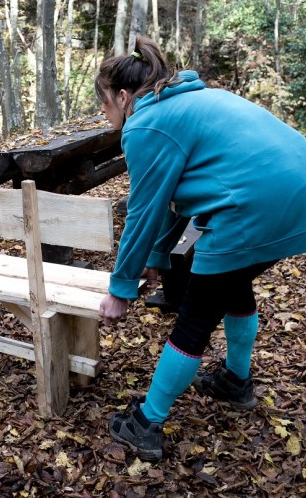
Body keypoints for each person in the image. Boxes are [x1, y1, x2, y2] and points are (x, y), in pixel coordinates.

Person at [95, 37, 306, 461]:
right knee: (234, 284)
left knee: (196, 315)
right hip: (296, 200)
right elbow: (178, 196)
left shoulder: (145, 125)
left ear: (122, 96)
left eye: (103, 103)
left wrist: (121, 289)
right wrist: (156, 258)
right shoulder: (194, 100)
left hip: (250, 209)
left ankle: (146, 422)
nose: (103, 113)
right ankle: (235, 381)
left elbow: (144, 210)